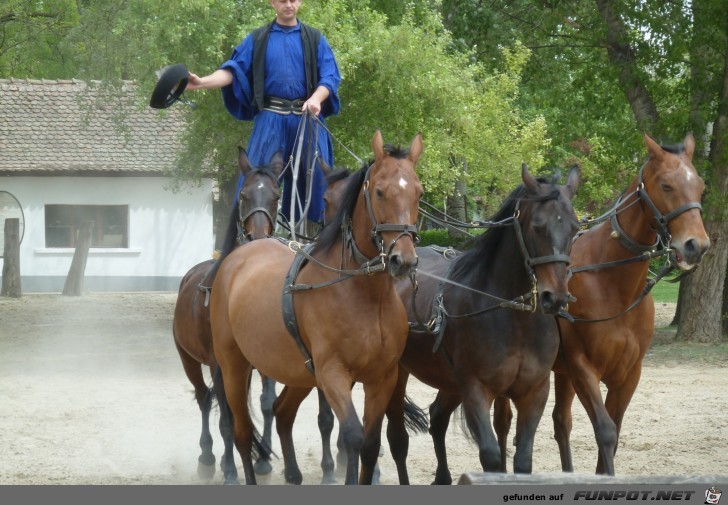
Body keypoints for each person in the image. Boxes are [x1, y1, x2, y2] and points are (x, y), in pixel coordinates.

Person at [186, 0, 341, 229]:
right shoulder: (258, 38)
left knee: (320, 179)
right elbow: (233, 71)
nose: (288, 4)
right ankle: (247, 241)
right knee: (254, 179)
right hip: (270, 121)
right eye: (282, 0)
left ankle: (323, 240)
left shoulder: (315, 38)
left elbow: (330, 77)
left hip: (307, 119)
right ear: (272, 2)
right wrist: (201, 83)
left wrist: (316, 98)